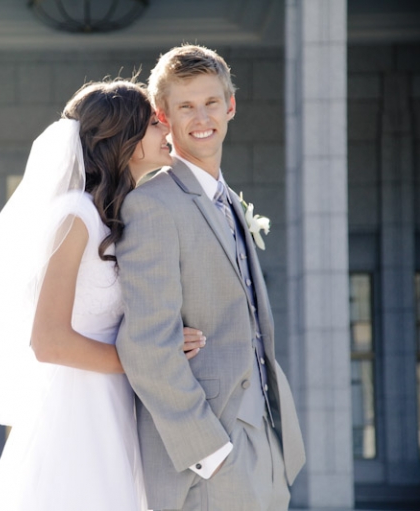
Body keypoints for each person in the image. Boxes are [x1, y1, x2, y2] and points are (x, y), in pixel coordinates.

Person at [0, 79, 204, 511]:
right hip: (77, 412)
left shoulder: (122, 219)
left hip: (116, 405)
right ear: (126, 140)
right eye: (155, 122)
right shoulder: (75, 216)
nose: (167, 129)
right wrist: (154, 358)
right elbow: (49, 341)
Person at [115, 44, 307, 511]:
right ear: (164, 116)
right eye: (185, 106)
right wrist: (210, 452)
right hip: (208, 459)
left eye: (211, 102)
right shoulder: (152, 205)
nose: (202, 117)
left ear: (230, 106)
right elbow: (146, 345)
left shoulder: (229, 202)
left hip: (267, 443)